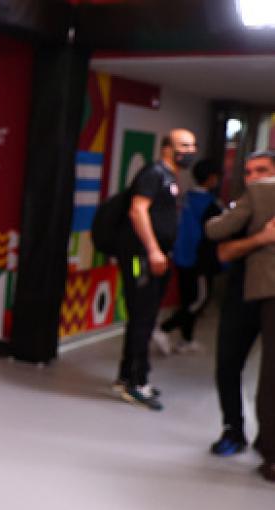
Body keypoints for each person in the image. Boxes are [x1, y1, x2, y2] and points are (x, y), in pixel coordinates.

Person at [113, 128, 198, 410]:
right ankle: (137, 382)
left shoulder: (169, 176)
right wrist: (152, 250)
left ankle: (127, 376)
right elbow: (137, 211)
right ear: (167, 148)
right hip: (141, 257)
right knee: (143, 315)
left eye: (192, 146)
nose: (190, 151)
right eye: (184, 146)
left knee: (145, 316)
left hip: (156, 256)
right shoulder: (154, 174)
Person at [206, 150, 275, 482]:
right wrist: (262, 239)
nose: (254, 176)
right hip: (240, 298)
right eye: (248, 171)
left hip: (271, 299)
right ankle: (233, 429)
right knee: (228, 364)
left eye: (262, 170)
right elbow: (223, 251)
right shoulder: (240, 210)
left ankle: (269, 442)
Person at [158, 159, 223, 353]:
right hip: (198, 260)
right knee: (198, 300)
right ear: (211, 179)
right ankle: (164, 328)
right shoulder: (211, 205)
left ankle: (186, 339)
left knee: (189, 298)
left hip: (181, 256)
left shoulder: (185, 198)